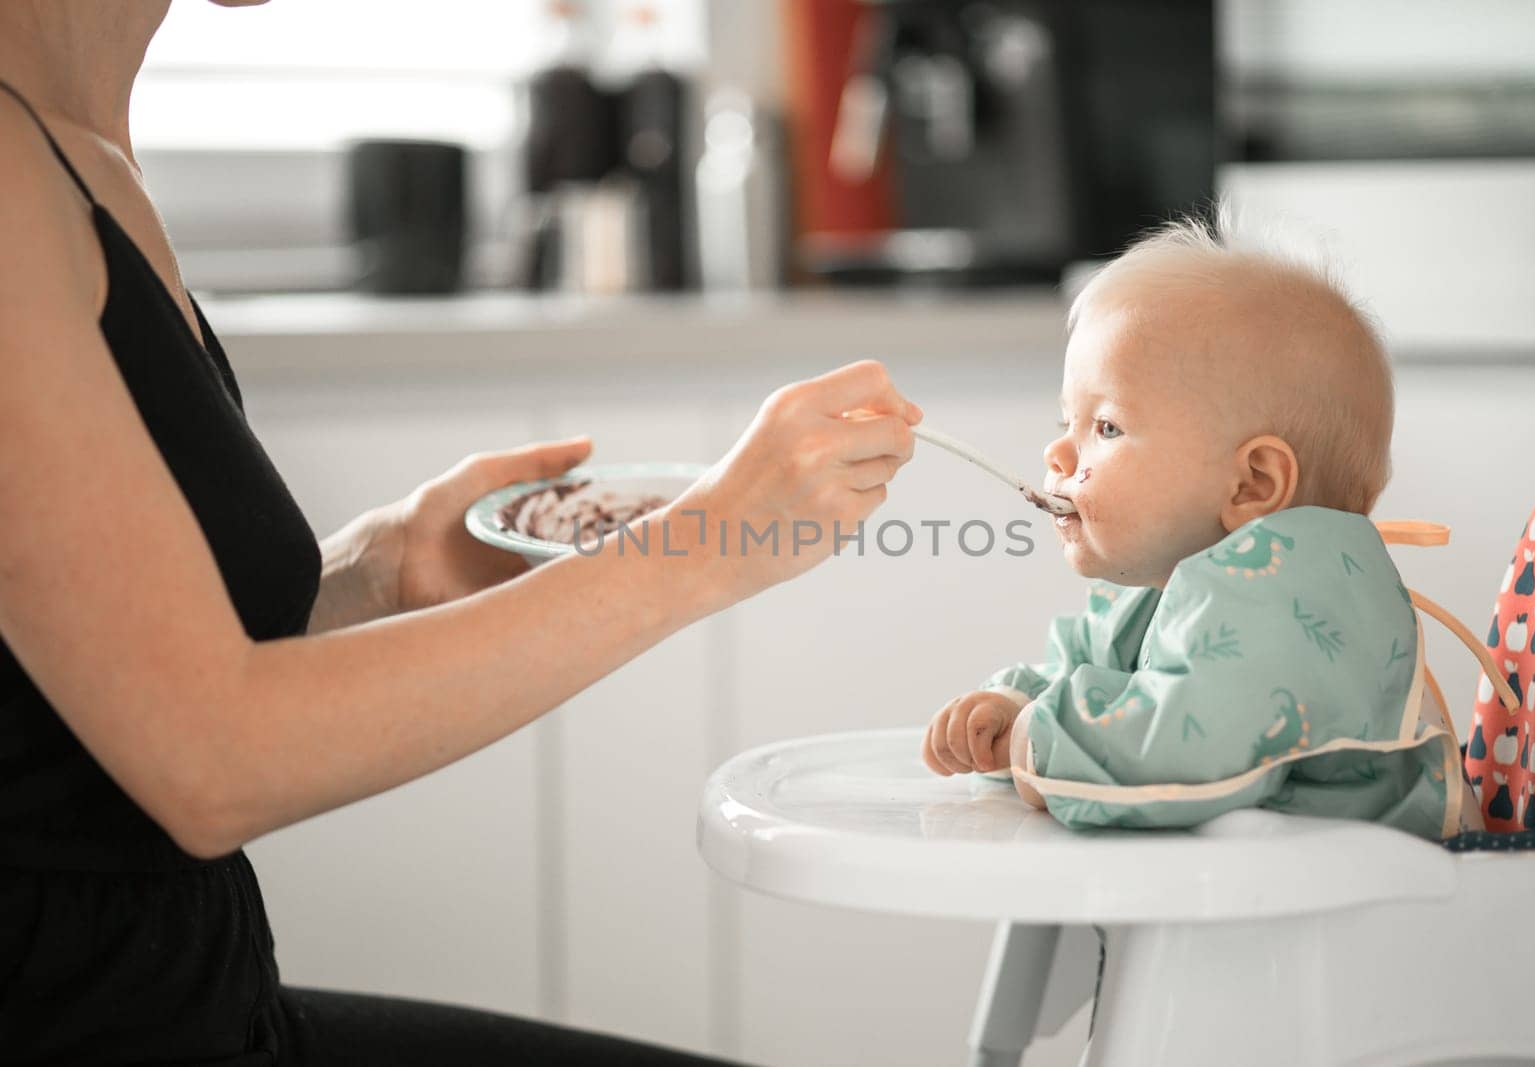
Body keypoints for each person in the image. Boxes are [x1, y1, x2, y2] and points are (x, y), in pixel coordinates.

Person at [0, 2, 921, 1063]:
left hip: (203, 1002)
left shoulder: (77, 140)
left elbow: (85, 678)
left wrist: (380, 567)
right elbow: (207, 757)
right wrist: (700, 544)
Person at [920, 213, 1480, 839]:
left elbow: (1179, 753)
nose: (1059, 455)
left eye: (1106, 427)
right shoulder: (1167, 584)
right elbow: (1088, 674)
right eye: (1065, 423)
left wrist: (1034, 738)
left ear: (1252, 485)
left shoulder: (1286, 602)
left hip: (1370, 912)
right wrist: (1014, 705)